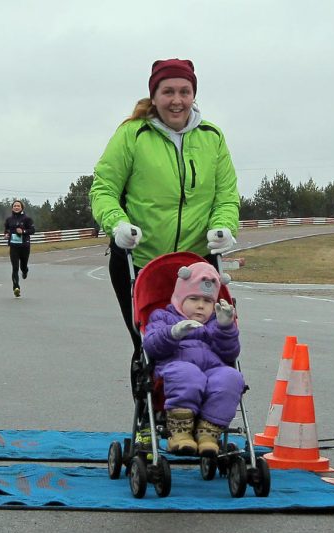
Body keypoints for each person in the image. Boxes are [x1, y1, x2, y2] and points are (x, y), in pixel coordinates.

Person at [89, 58, 240, 344]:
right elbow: (103, 188)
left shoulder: (213, 137)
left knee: (207, 345)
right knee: (152, 345)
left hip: (197, 266)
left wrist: (223, 227)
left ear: (193, 95)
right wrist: (117, 224)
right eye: (168, 91)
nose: (177, 100)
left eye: (184, 91)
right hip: (140, 264)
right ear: (154, 96)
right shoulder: (132, 135)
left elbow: (226, 196)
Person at [142, 261, 244, 457]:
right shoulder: (163, 317)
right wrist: (172, 333)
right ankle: (180, 433)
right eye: (194, 299)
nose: (200, 306)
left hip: (212, 371)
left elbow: (230, 353)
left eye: (207, 301)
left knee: (232, 377)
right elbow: (151, 344)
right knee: (187, 373)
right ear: (180, 298)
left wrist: (226, 328)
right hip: (175, 371)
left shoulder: (215, 322)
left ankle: (208, 434)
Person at [4, 200, 35, 298]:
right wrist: (6, 234)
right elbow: (6, 229)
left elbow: (33, 230)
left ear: (22, 207)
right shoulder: (9, 219)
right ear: (12, 208)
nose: (16, 207)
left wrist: (23, 231)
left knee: (23, 266)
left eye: (18, 206)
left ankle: (25, 271)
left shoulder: (27, 219)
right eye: (14, 206)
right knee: (15, 268)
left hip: (25, 246)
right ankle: (16, 288)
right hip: (14, 246)